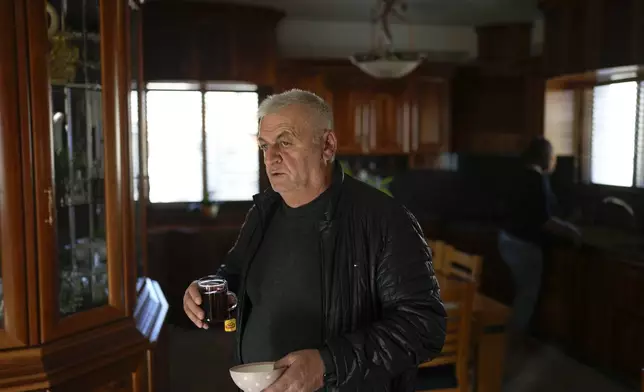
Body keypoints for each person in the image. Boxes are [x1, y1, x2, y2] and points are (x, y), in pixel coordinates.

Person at [183, 89, 446, 391]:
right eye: (264, 145)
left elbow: (424, 327)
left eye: (285, 141)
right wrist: (212, 287)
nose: (270, 158)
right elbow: (234, 273)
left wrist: (328, 364)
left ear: (327, 145)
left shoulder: (383, 220)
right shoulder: (263, 212)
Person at [498, 137, 581, 348]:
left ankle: (514, 335)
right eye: (552, 157)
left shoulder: (517, 174)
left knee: (518, 291)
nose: (554, 161)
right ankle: (515, 338)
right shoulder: (537, 180)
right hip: (524, 246)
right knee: (527, 294)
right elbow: (543, 220)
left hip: (506, 239)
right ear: (545, 157)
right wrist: (570, 230)